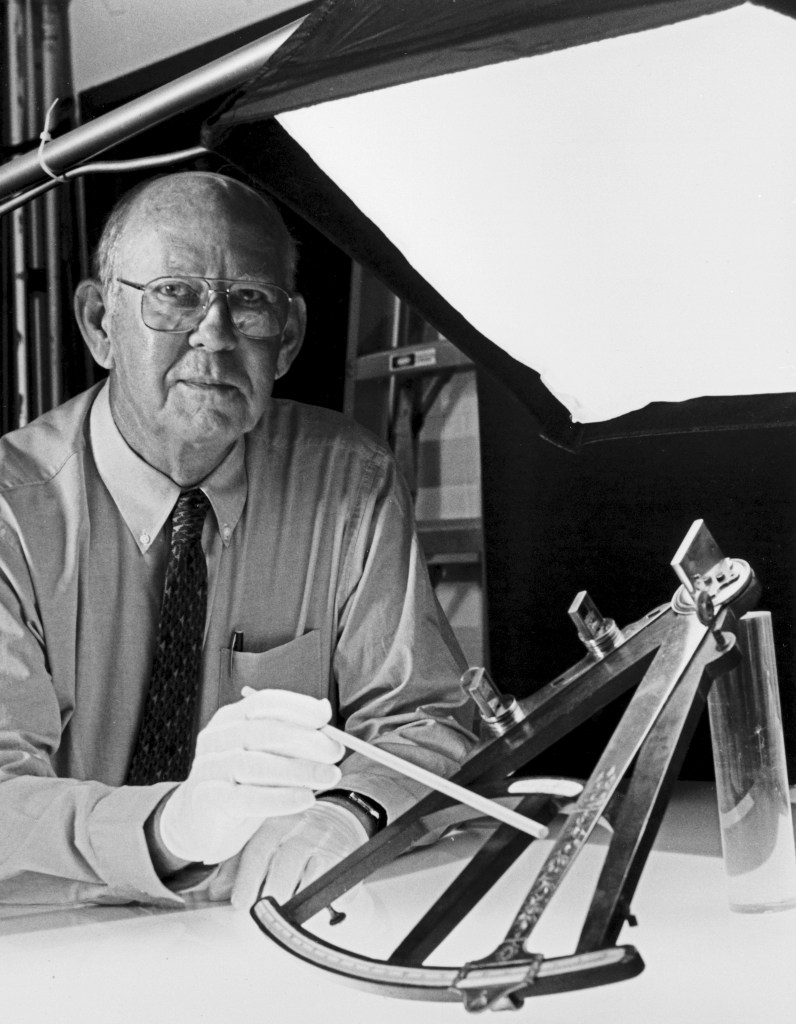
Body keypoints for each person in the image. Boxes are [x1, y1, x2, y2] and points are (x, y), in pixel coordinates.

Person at [0, 171, 476, 910]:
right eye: (174, 293)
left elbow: (429, 724)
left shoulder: (349, 482)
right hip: (48, 937)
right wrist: (168, 831)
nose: (215, 334)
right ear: (99, 323)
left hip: (254, 922)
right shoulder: (10, 511)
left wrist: (348, 813)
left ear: (287, 341)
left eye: (250, 301)